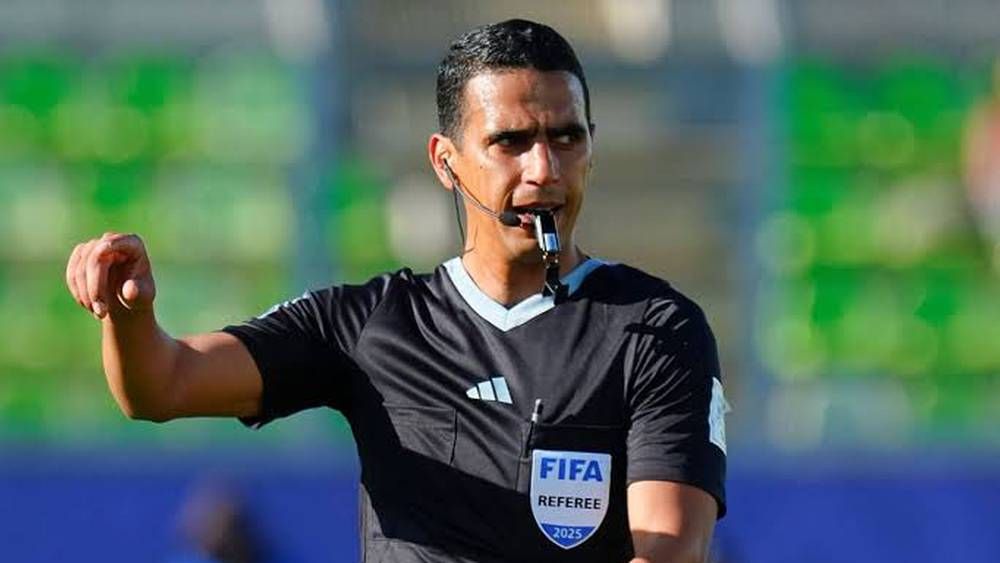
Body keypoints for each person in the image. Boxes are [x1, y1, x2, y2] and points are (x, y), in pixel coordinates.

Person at [65, 19, 727, 563]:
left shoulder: (656, 330)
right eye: (511, 142)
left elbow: (671, 550)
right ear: (446, 161)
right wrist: (128, 314)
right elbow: (163, 385)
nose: (544, 168)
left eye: (566, 137)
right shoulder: (368, 324)